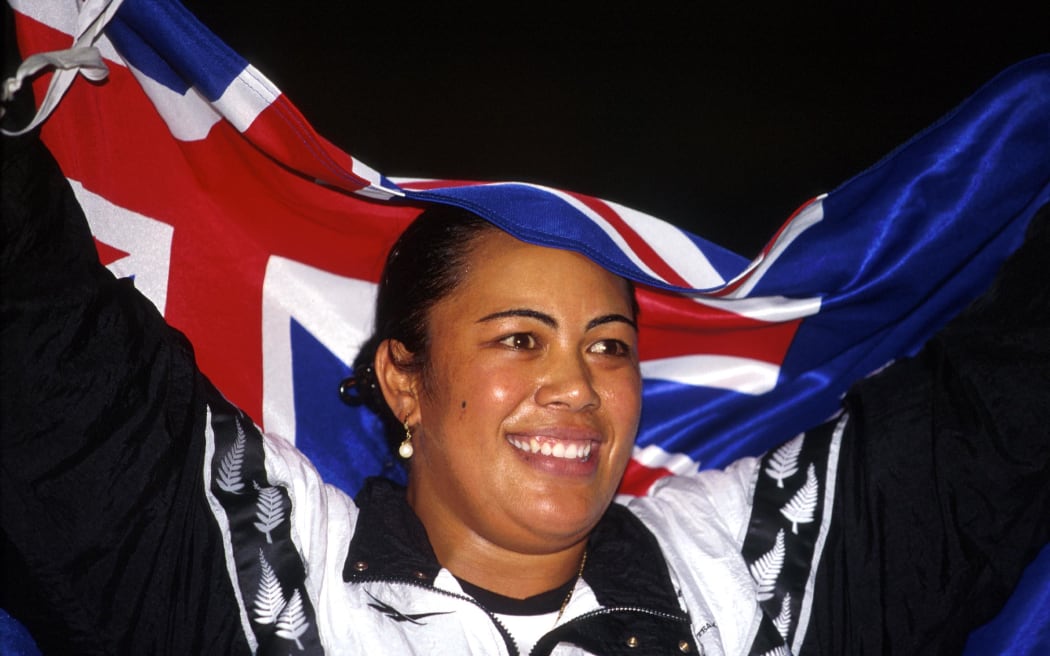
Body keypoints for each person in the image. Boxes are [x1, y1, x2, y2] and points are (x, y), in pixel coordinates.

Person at [3, 97, 1050, 655]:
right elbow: (47, 349)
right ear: (402, 380)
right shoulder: (263, 571)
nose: (578, 384)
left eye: (609, 344)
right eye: (517, 338)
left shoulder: (746, 576)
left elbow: (997, 413)